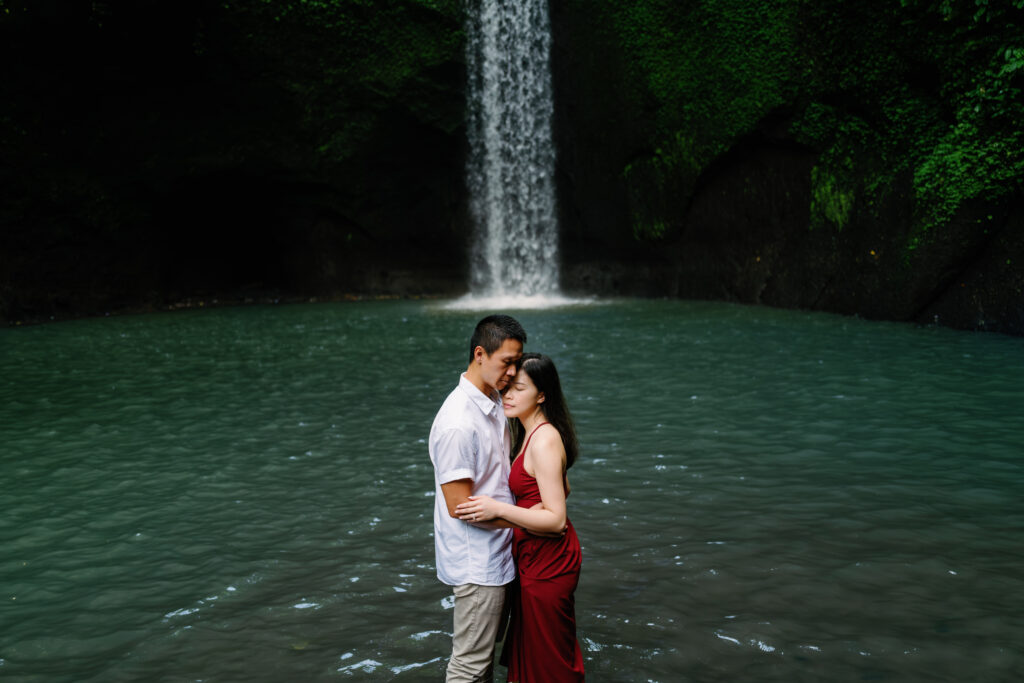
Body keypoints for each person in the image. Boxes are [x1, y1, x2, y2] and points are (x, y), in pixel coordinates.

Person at [455, 353, 585, 682]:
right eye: (508, 387)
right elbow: (561, 487)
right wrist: (532, 510)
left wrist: (499, 509)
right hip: (532, 556)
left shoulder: (543, 439)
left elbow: (557, 519)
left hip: (549, 561)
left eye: (519, 388)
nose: (508, 395)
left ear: (542, 395)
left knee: (548, 656)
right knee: (535, 648)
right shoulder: (531, 433)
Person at [428, 314, 526, 682]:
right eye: (507, 362)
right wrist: (534, 518)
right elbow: (459, 508)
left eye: (518, 361)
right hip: (479, 563)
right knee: (468, 667)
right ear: (480, 354)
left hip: (500, 553)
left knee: (482, 663)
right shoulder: (457, 423)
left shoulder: (495, 399)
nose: (514, 372)